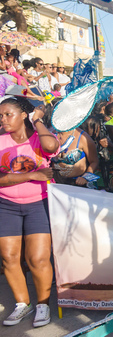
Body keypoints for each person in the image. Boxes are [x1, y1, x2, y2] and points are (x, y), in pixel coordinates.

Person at [0, 96, 59, 327]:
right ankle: (22, 304)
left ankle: (43, 305)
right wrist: (31, 175)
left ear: (23, 115)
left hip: (38, 204)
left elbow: (51, 147)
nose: (3, 119)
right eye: (1, 115)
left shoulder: (38, 138)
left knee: (38, 258)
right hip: (6, 206)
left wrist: (38, 121)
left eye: (8, 114)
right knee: (9, 257)